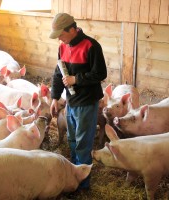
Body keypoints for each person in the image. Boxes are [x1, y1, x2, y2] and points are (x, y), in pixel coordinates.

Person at [49, 13, 107, 192]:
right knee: (72, 139)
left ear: (72, 29)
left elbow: (100, 73)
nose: (59, 37)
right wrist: (54, 97)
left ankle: (83, 184)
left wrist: (77, 79)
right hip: (70, 102)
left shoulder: (91, 46)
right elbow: (59, 74)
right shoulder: (62, 47)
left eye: (61, 34)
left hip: (87, 102)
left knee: (83, 142)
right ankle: (74, 174)